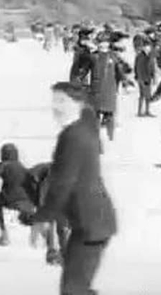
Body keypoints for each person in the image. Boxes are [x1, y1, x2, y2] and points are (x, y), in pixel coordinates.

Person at [20, 81, 117, 295]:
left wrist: (43, 217)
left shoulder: (74, 135)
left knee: (74, 290)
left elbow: (63, 182)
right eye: (54, 101)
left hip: (91, 221)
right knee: (75, 288)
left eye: (62, 101)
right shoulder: (83, 127)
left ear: (78, 104)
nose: (56, 106)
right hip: (89, 221)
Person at [0, 143, 35, 246]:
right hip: (27, 201)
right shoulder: (22, 167)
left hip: (10, 199)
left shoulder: (4, 165)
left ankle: (4, 236)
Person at [134, 38, 156, 117]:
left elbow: (152, 67)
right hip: (142, 78)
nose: (147, 48)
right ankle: (139, 112)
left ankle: (147, 110)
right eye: (145, 46)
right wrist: (140, 79)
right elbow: (138, 68)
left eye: (148, 46)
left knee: (148, 95)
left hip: (148, 77)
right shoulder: (140, 56)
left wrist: (154, 77)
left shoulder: (150, 56)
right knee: (142, 94)